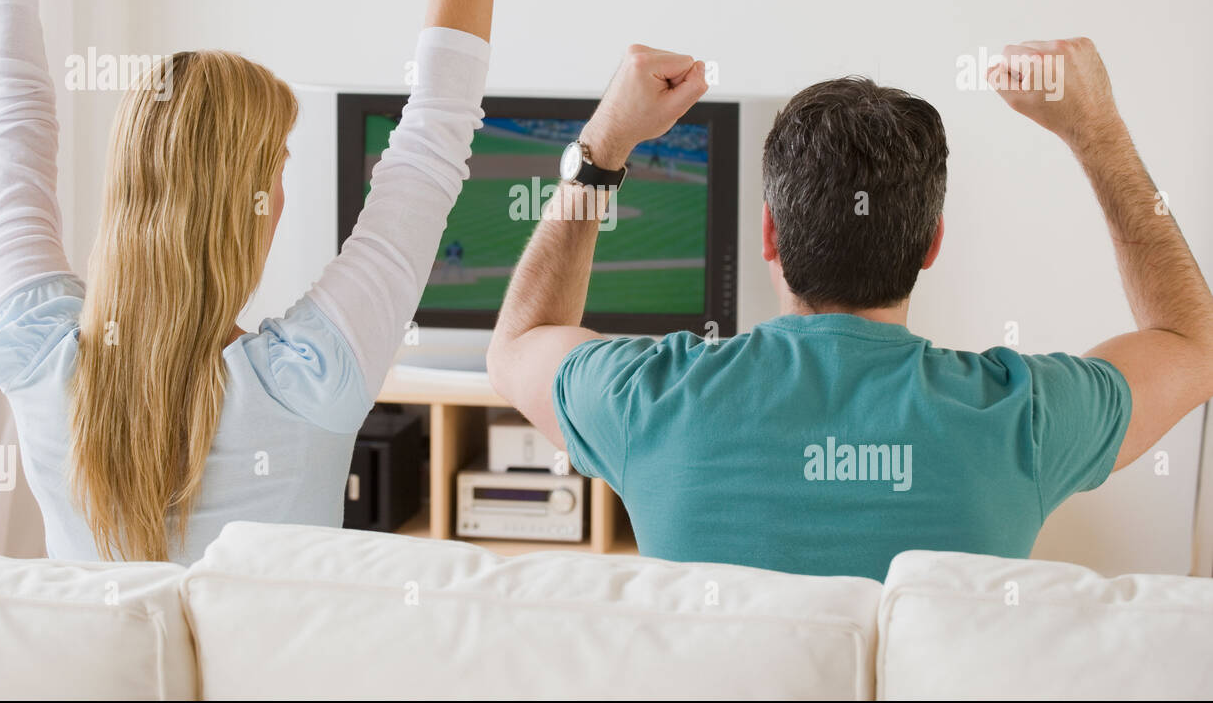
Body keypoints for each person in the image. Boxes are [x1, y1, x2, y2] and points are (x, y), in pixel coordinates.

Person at [0, 0, 495, 563]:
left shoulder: (33, 356)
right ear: (253, 201)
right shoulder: (313, 379)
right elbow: (433, 139)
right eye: (276, 165)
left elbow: (10, 116)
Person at [486, 43, 1213, 581]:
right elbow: (1193, 341)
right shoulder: (1025, 417)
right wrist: (1097, 130)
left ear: (769, 233)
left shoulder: (648, 399)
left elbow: (516, 342)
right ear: (932, 244)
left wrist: (606, 143)